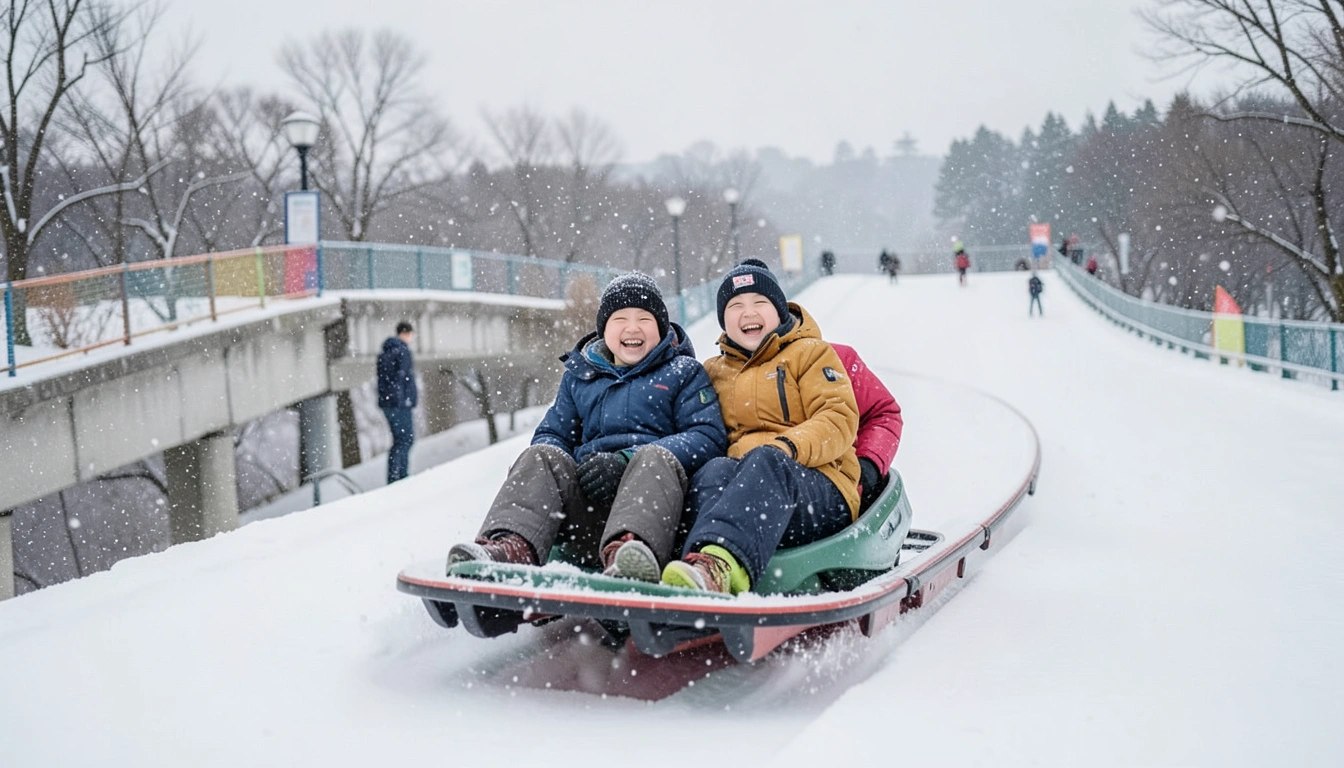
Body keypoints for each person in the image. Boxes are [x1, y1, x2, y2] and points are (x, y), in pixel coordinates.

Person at [446, 273, 727, 582]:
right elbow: (553, 433)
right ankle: (510, 548)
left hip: (656, 519)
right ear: (604, 330)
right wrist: (580, 468)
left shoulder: (683, 372)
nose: (632, 328)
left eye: (644, 319)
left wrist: (626, 461)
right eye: (620, 319)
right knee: (541, 454)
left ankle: (629, 559)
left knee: (654, 458)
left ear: (660, 328)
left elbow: (707, 436)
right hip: (586, 517)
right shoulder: (581, 377)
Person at [660, 259, 861, 594]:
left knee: (767, 461)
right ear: (724, 320)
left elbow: (838, 417)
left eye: (759, 303)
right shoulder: (713, 372)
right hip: (747, 493)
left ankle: (723, 570)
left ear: (780, 311)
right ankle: (697, 567)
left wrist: (787, 447)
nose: (748, 312)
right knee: (713, 470)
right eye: (736, 305)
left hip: (817, 489)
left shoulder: (810, 353)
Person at [377, 321, 417, 484]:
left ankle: (395, 476)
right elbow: (402, 378)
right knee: (405, 439)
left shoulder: (386, 352)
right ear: (406, 333)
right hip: (399, 404)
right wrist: (403, 400)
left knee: (399, 440)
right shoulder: (402, 351)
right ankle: (400, 476)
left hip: (389, 403)